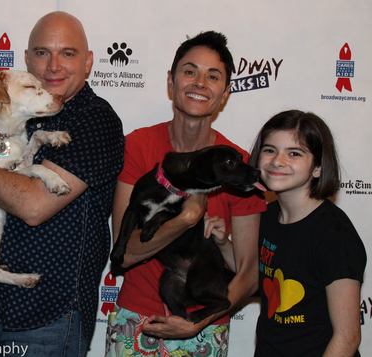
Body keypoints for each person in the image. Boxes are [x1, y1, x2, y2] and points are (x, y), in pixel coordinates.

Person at [0, 11, 125, 357]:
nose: (53, 66)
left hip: (47, 315)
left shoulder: (94, 119)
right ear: (26, 60)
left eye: (68, 53)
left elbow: (32, 206)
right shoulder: (13, 115)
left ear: (88, 62)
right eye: (42, 53)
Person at [105, 31, 267, 357]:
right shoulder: (137, 146)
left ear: (225, 93)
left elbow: (249, 272)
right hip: (137, 318)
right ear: (171, 81)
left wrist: (198, 321)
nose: (200, 83)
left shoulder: (239, 167)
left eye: (213, 76)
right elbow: (125, 254)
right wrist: (188, 217)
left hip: (204, 325)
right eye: (190, 71)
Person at [250, 110, 365, 356]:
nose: (277, 161)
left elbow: (347, 337)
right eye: (270, 150)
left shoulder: (334, 235)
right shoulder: (266, 216)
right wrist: (221, 242)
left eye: (294, 153)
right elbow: (254, 273)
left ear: (318, 168)